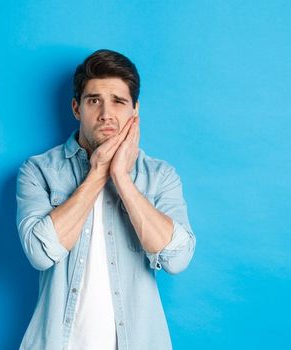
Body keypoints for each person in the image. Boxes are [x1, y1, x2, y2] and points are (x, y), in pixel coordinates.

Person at [15, 49, 196, 350]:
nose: (106, 113)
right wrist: (99, 171)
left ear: (135, 110)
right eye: (94, 100)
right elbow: (39, 253)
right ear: (76, 108)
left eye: (118, 101)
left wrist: (122, 179)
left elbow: (177, 259)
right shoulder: (38, 171)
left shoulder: (160, 176)